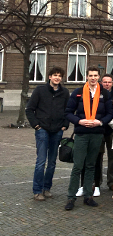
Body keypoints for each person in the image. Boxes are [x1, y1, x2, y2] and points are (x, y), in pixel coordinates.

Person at [64, 66, 113, 211]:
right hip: (81, 133)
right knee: (78, 166)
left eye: (95, 75)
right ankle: (71, 197)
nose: (93, 78)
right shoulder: (78, 92)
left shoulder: (104, 93)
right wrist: (79, 121)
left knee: (91, 165)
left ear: (99, 77)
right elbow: (68, 112)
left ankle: (88, 196)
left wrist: (100, 122)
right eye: (90, 75)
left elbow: (109, 113)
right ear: (86, 77)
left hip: (97, 133)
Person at [27, 67, 69, 201]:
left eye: (59, 76)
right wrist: (36, 125)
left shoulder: (65, 92)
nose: (57, 77)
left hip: (57, 130)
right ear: (49, 77)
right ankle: (37, 190)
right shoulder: (40, 90)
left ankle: (47, 188)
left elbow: (68, 110)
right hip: (42, 129)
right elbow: (29, 109)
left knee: (52, 162)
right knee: (41, 161)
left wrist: (65, 125)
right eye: (54, 75)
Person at [100, 74, 113, 194]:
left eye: (109, 82)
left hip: (112, 130)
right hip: (100, 129)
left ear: (112, 83)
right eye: (105, 82)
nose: (107, 84)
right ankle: (96, 182)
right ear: (101, 82)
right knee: (98, 156)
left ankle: (111, 182)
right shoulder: (98, 94)